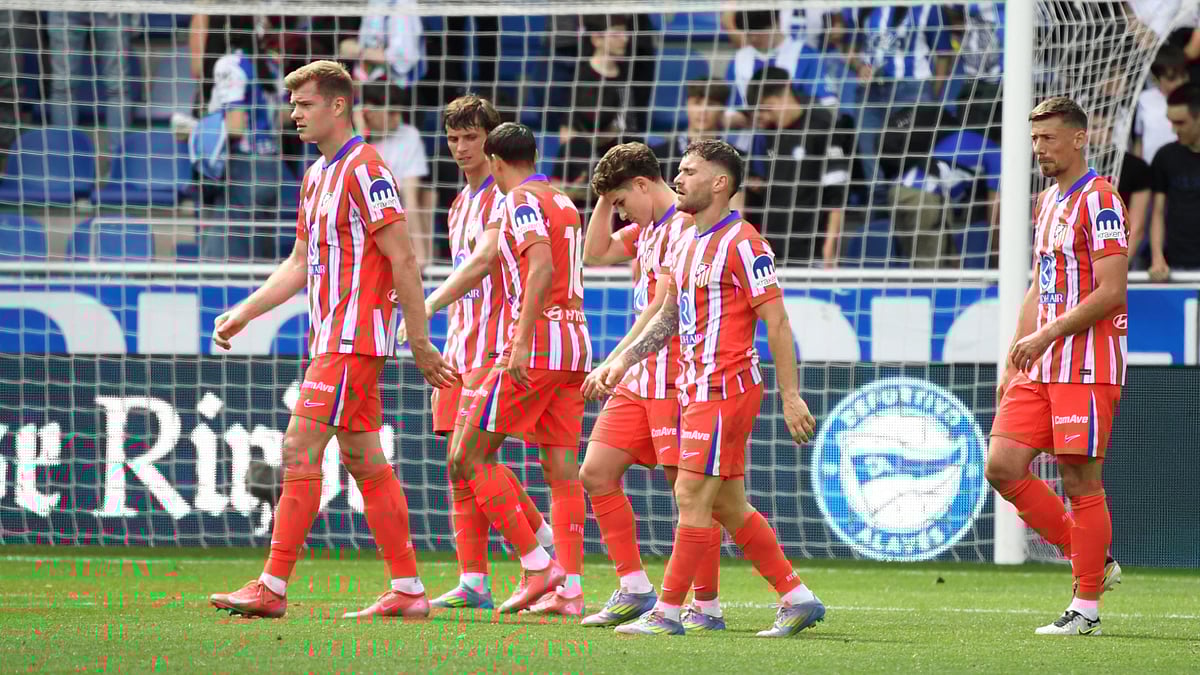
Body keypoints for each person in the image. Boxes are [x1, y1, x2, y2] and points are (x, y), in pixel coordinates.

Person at [207, 60, 457, 620]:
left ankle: (272, 586)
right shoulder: (317, 174)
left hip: (353, 338)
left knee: (298, 450)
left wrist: (418, 340)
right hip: (331, 337)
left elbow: (405, 258)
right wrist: (244, 312)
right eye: (293, 104)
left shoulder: (367, 170)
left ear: (338, 105)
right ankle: (410, 589)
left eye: (305, 104)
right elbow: (300, 262)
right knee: (367, 461)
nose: (294, 114)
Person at [597, 139, 824, 638]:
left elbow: (778, 322)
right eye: (677, 171)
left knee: (689, 494)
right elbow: (668, 319)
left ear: (719, 183)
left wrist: (791, 395)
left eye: (688, 172)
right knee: (727, 505)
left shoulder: (745, 243)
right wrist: (624, 362)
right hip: (694, 388)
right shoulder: (687, 241)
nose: (677, 179)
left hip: (725, 388)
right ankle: (797, 597)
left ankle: (669, 612)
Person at [401, 95, 555, 609]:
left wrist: (425, 303)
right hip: (458, 345)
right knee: (457, 466)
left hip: (495, 344)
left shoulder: (504, 197)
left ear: (493, 145)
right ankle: (475, 580)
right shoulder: (458, 202)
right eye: (454, 137)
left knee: (469, 456)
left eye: (473, 138)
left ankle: (540, 555)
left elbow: (486, 262)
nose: (462, 147)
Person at [987, 96, 1127, 636]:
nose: (1039, 148)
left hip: (1086, 365)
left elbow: (1111, 290)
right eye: (1035, 138)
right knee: (1001, 466)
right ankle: (1092, 557)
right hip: (1041, 364)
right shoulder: (1047, 202)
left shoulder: (1102, 200)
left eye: (1049, 138)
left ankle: (1085, 608)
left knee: (1078, 479)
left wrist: (1046, 334)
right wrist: (1015, 353)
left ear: (1078, 138)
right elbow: (1039, 285)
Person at [577, 142, 725, 631]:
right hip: (640, 378)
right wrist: (605, 192)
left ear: (643, 184)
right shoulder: (645, 229)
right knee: (596, 472)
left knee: (688, 493)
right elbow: (594, 252)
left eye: (622, 201)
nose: (619, 212)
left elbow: (659, 311)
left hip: (674, 378)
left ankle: (705, 604)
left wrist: (615, 360)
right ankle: (636, 587)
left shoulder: (685, 227)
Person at [450, 122, 591, 617]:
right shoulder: (565, 202)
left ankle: (537, 564)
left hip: (539, 348)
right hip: (575, 344)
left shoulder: (518, 202)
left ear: (494, 160)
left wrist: (521, 340)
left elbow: (542, 268)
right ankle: (569, 590)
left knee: (467, 457)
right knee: (560, 471)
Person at [745, 67, 854, 267]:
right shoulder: (769, 132)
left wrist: (830, 246)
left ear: (786, 93)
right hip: (774, 248)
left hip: (812, 250)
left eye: (768, 108)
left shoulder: (822, 125)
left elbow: (836, 193)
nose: (766, 117)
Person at [359, 82, 432, 267]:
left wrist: (420, 255)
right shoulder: (354, 139)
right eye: (391, 112)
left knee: (425, 196)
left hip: (396, 205)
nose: (397, 118)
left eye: (398, 112)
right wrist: (361, 133)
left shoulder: (408, 135)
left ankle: (422, 257)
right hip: (363, 208)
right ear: (368, 111)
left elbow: (410, 195)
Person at [1149, 82, 1200, 280]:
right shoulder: (1165, 156)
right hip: (1176, 265)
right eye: (1171, 122)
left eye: (1180, 123)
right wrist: (1157, 257)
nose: (1174, 130)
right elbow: (1158, 212)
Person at [648, 79, 730, 182]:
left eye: (711, 104)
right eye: (697, 103)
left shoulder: (735, 159)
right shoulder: (659, 155)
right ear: (687, 105)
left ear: (723, 110)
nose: (703, 110)